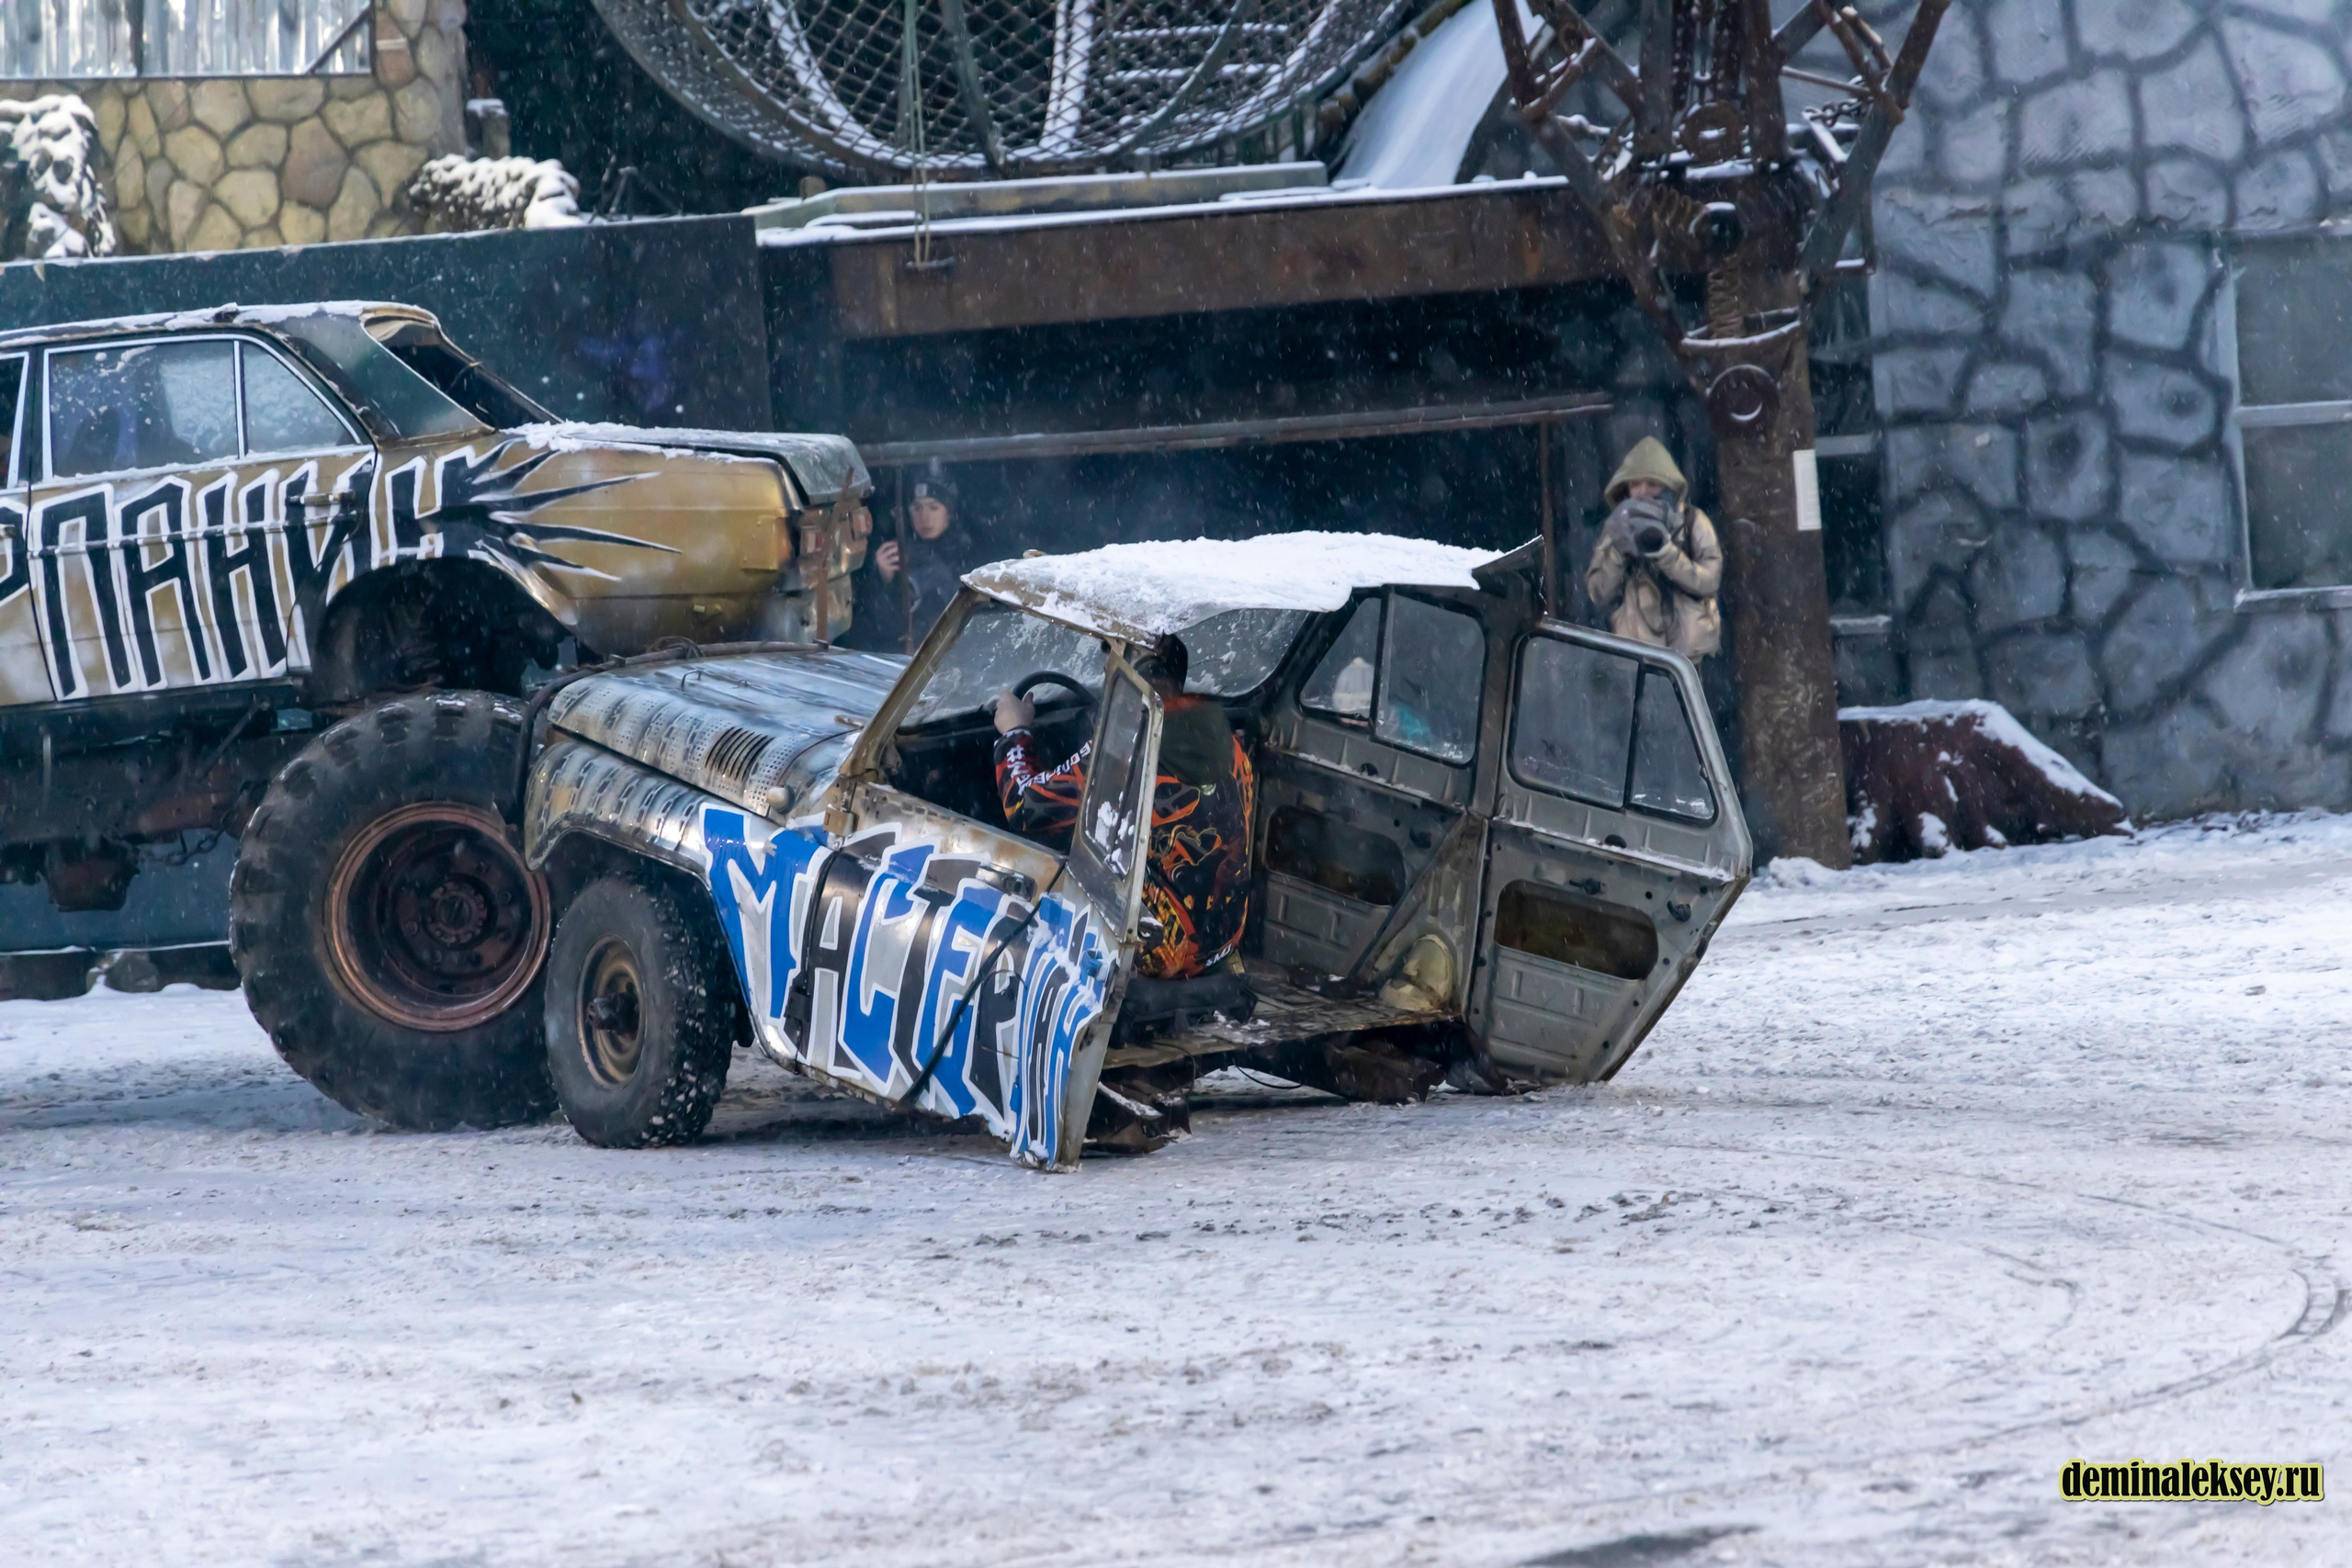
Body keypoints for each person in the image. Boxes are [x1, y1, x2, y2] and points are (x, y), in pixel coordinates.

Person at [989, 636, 1256, 981]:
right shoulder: (1230, 745)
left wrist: (1015, 732)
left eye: (1111, 669)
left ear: (1131, 678)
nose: (1105, 678)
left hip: (1157, 963)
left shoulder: (1126, 759)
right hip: (1220, 944)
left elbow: (1024, 805)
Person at [1584, 436, 1723, 660]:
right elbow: (1598, 592)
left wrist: (1667, 555)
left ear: (1668, 486)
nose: (1643, 491)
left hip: (1690, 657)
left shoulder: (1692, 521)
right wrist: (1618, 552)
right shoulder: (1616, 528)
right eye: (1635, 484)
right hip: (1639, 655)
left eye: (1653, 483)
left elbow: (1709, 581)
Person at [842, 471, 979, 652]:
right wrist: (882, 578)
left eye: (934, 507)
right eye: (917, 508)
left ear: (950, 512)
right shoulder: (898, 550)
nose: (925, 517)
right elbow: (881, 623)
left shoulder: (967, 551)